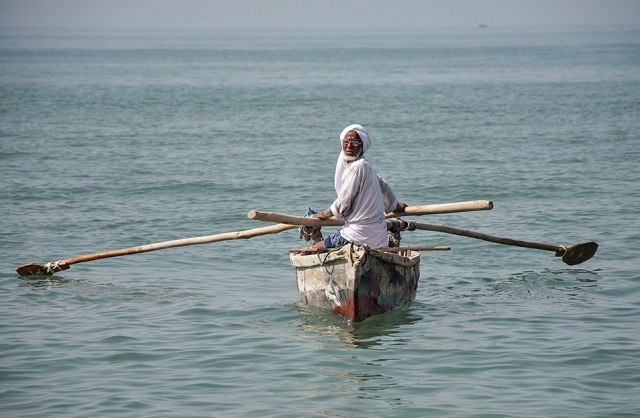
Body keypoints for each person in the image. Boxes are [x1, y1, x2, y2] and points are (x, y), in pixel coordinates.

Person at [312, 124, 407, 249]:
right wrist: (395, 206)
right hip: (379, 239)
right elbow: (384, 188)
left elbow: (343, 204)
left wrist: (324, 214)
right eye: (346, 142)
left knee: (313, 249)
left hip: (355, 237)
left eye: (355, 142)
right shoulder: (366, 166)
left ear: (362, 147)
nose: (349, 146)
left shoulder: (357, 167)